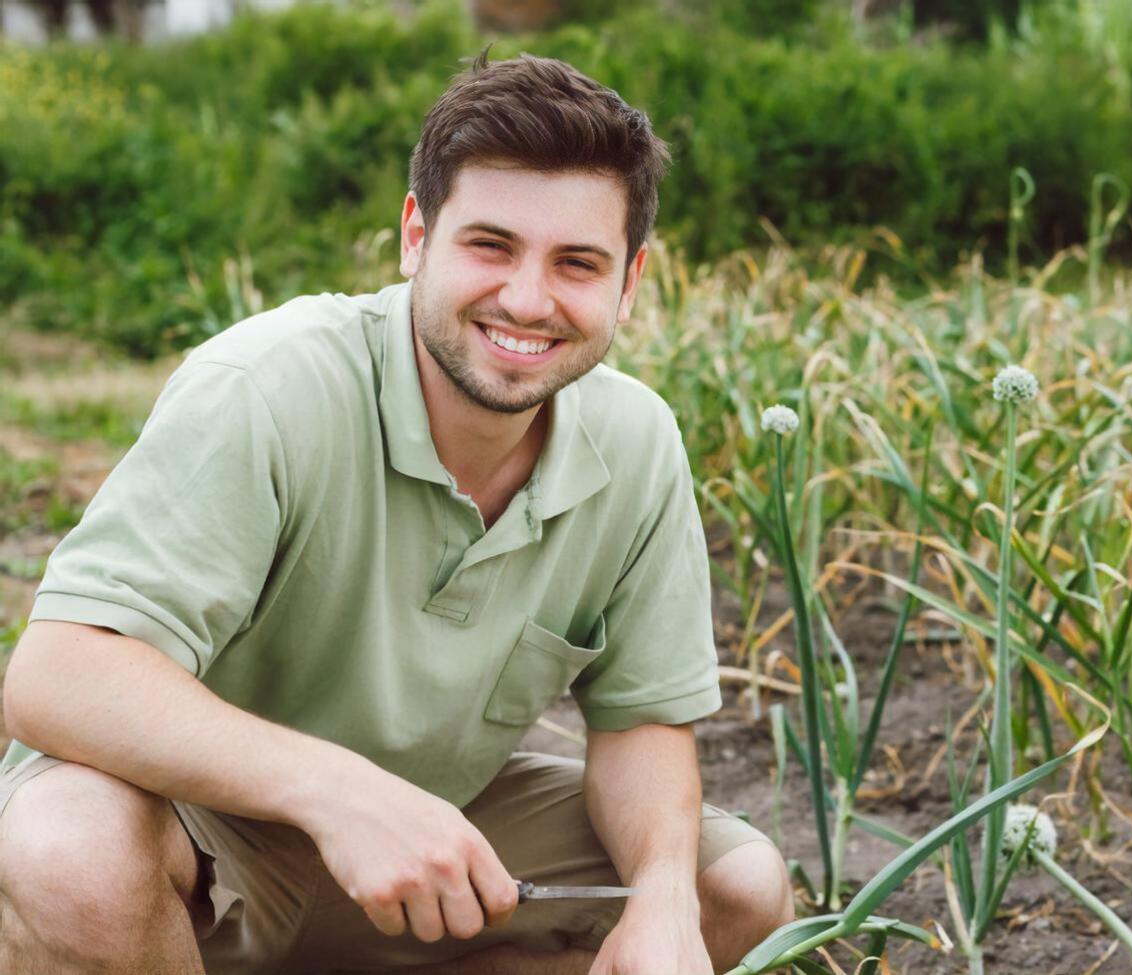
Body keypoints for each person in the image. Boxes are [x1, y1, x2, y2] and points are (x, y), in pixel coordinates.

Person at [0, 49, 794, 975]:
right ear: (416, 236)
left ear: (629, 280)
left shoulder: (638, 442)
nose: (529, 300)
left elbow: (640, 722)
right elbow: (58, 673)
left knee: (734, 893)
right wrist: (336, 789)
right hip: (198, 838)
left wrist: (661, 897)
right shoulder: (266, 387)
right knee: (69, 853)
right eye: (490, 245)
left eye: (577, 263)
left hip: (427, 853)